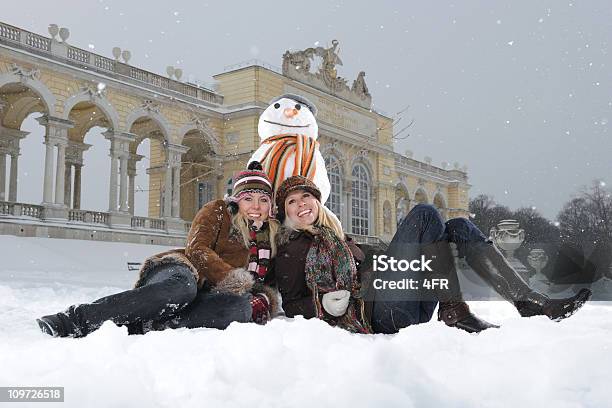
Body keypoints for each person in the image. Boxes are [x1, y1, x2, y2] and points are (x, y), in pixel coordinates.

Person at [272, 175, 591, 334]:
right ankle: (454, 310)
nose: (301, 204)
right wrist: (322, 304)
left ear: (317, 202)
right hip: (375, 314)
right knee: (425, 213)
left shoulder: (339, 238)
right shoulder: (290, 248)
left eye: (306, 197)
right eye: (292, 202)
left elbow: (373, 265)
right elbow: (291, 302)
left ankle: (529, 301)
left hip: (399, 301)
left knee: (459, 225)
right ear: (285, 213)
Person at [37, 162, 280, 337]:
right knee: (180, 289)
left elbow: (263, 283)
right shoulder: (219, 211)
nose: (256, 206)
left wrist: (261, 299)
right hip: (183, 269)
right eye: (249, 199)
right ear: (237, 200)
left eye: (263, 200)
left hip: (208, 292)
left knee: (236, 308)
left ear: (270, 205)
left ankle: (145, 326)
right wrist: (232, 278)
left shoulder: (268, 240)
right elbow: (197, 249)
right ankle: (76, 319)